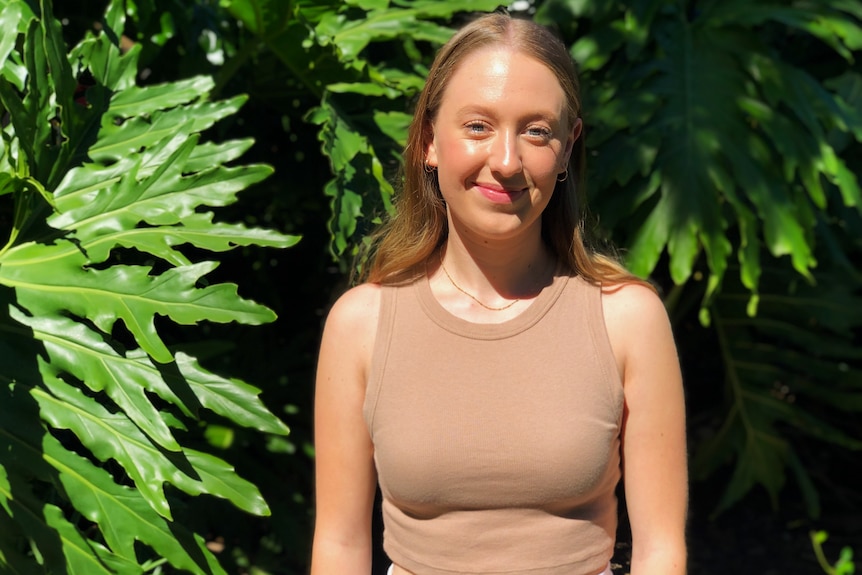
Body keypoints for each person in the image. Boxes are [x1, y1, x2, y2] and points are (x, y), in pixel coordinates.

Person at [310, 10, 687, 575]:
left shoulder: (627, 319)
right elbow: (339, 547)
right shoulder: (361, 325)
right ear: (428, 142)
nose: (507, 161)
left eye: (536, 131)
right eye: (478, 126)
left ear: (567, 147)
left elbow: (661, 552)